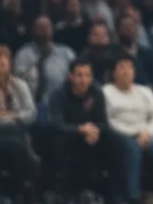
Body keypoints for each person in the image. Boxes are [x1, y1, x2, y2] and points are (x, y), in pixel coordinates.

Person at [48, 57, 124, 202]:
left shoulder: (96, 92)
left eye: (87, 75)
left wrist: (94, 130)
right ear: (70, 76)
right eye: (79, 75)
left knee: (116, 141)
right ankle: (68, 195)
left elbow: (104, 122)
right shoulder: (58, 94)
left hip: (91, 136)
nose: (83, 80)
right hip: (68, 137)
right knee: (61, 142)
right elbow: (56, 124)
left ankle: (115, 195)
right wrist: (80, 129)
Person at [104, 54, 153, 204]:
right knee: (133, 149)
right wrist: (134, 133)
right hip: (120, 134)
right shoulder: (106, 92)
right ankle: (133, 196)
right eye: (122, 68)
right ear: (113, 72)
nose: (126, 71)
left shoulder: (145, 92)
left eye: (130, 67)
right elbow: (108, 120)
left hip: (146, 133)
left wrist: (148, 132)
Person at [0, 45, 39, 201]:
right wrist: (16, 117)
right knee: (19, 142)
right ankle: (28, 186)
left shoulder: (19, 84)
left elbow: (32, 113)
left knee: (18, 137)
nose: (2, 62)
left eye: (5, 57)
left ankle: (23, 189)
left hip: (17, 133)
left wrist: (10, 116)